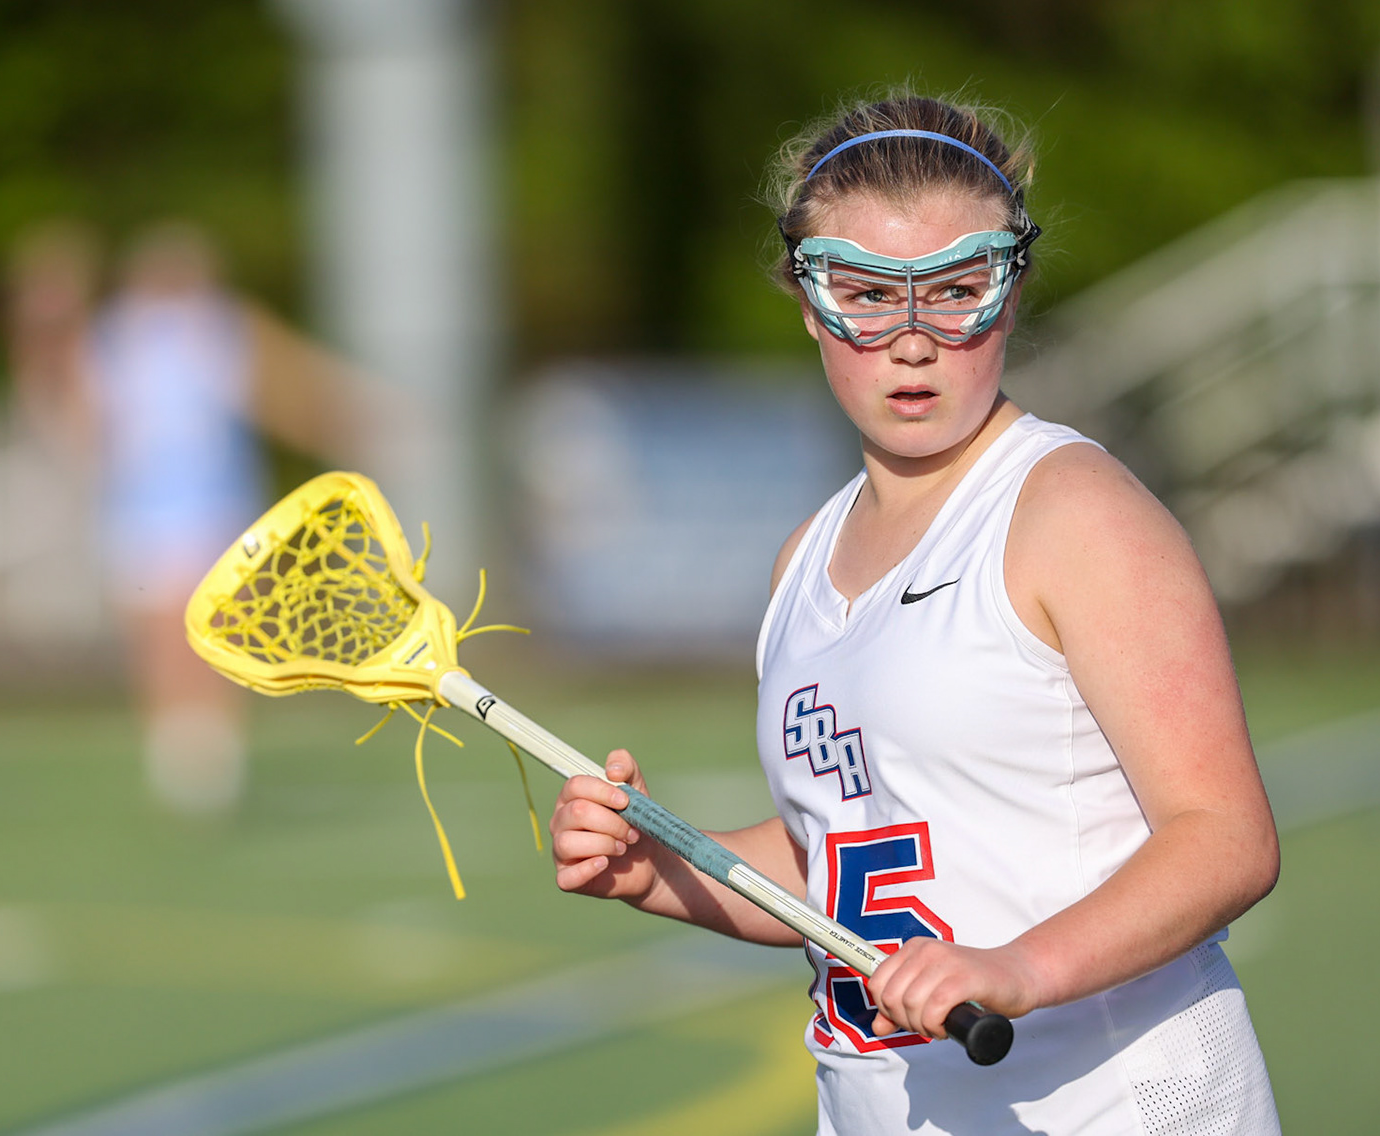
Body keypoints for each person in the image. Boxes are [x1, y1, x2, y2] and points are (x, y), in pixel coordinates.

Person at [549, 96, 1282, 1133]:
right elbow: (840, 854)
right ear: (810, 304)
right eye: (863, 294)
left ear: (1011, 290)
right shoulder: (805, 558)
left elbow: (1225, 836)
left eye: (954, 291)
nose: (911, 340)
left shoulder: (1074, 512)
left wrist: (1019, 965)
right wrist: (658, 864)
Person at [80, 222, 387, 814]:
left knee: (218, 632)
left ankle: (211, 754)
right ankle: (178, 753)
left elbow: (281, 389)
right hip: (140, 507)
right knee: (158, 634)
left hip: (213, 504)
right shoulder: (115, 336)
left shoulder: (219, 327)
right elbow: (90, 420)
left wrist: (348, 421)